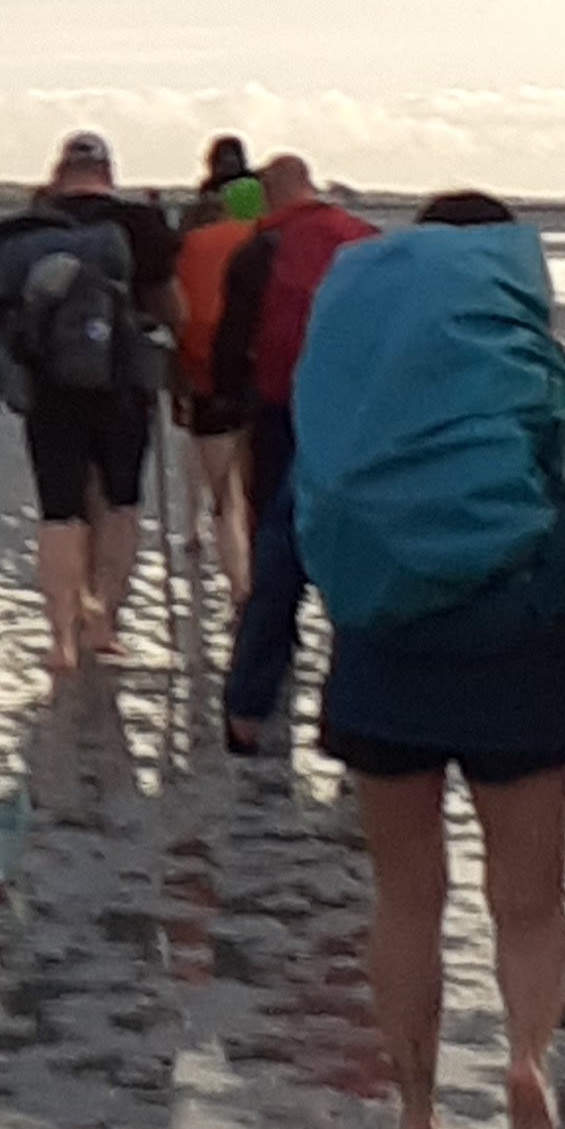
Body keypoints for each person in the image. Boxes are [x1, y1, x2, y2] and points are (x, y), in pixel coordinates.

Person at [298, 193, 565, 1129]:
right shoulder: (545, 378)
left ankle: (416, 1119)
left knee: (406, 901)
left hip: (384, 659)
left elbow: (294, 523)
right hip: (518, 658)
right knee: (529, 901)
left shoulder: (353, 386)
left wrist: (260, 660)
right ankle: (526, 1063)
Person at [0, 131, 181, 676]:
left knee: (59, 510)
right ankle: (103, 624)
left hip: (48, 388)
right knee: (121, 502)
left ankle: (60, 639)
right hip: (123, 386)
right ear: (108, 173)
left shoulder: (20, 234)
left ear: (59, 173)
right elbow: (170, 306)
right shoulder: (141, 226)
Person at [215, 153, 380, 751]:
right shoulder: (365, 240)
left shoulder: (260, 249)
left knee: (276, 552)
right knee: (356, 554)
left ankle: (250, 704)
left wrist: (224, 401)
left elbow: (233, 338)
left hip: (282, 409)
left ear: (268, 194)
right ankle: (351, 702)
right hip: (360, 416)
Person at [170, 169, 265, 604]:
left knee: (225, 497)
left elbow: (178, 314)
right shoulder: (271, 242)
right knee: (263, 494)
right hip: (270, 383)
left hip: (208, 380)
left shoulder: (193, 247)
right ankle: (264, 586)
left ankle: (239, 588)